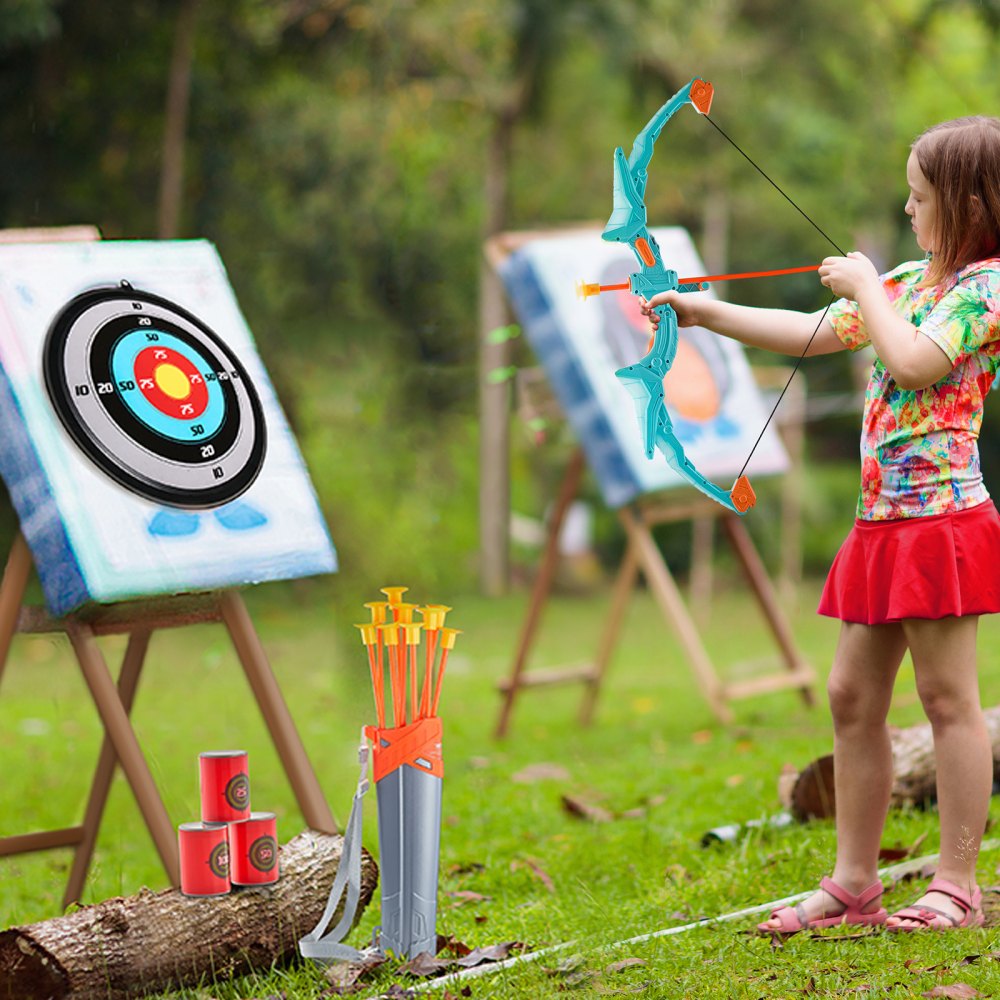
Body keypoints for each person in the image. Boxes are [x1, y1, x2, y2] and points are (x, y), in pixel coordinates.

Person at [641, 115, 1000, 932]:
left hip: (941, 521)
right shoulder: (910, 279)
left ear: (968, 203)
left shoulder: (988, 289)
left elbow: (913, 361)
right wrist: (706, 314)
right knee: (849, 695)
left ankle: (956, 884)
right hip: (882, 523)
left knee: (949, 701)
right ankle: (854, 884)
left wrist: (870, 287)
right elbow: (814, 332)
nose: (908, 210)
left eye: (919, 197)